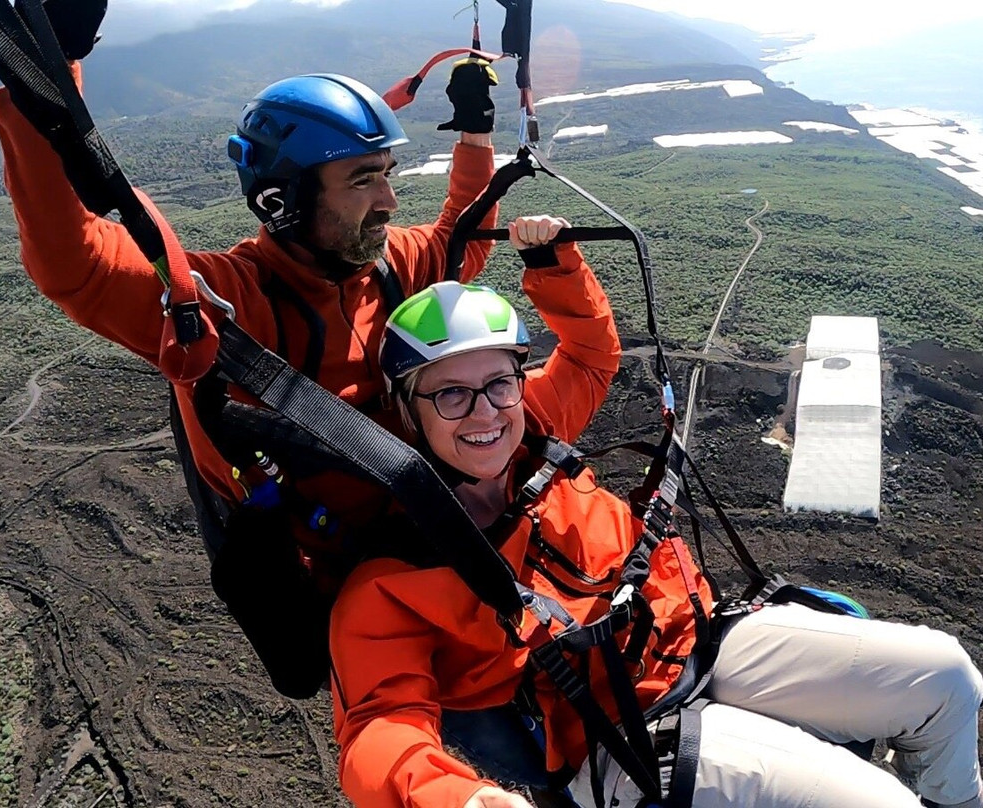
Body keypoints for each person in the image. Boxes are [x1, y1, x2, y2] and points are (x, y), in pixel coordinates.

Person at [328, 216, 983, 808]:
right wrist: (460, 801)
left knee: (948, 675)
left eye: (501, 382)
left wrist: (553, 265)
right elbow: (378, 729)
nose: (484, 412)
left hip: (698, 641)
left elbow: (589, 353)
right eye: (449, 394)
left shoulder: (529, 434)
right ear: (406, 413)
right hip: (619, 739)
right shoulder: (391, 581)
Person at [0, 0, 501, 696]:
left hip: (419, 539)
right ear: (284, 201)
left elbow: (463, 241)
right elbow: (77, 264)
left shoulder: (393, 265)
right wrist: (45, 79)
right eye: (363, 179)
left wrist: (476, 135)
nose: (390, 200)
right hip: (329, 584)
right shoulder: (225, 299)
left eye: (388, 173)